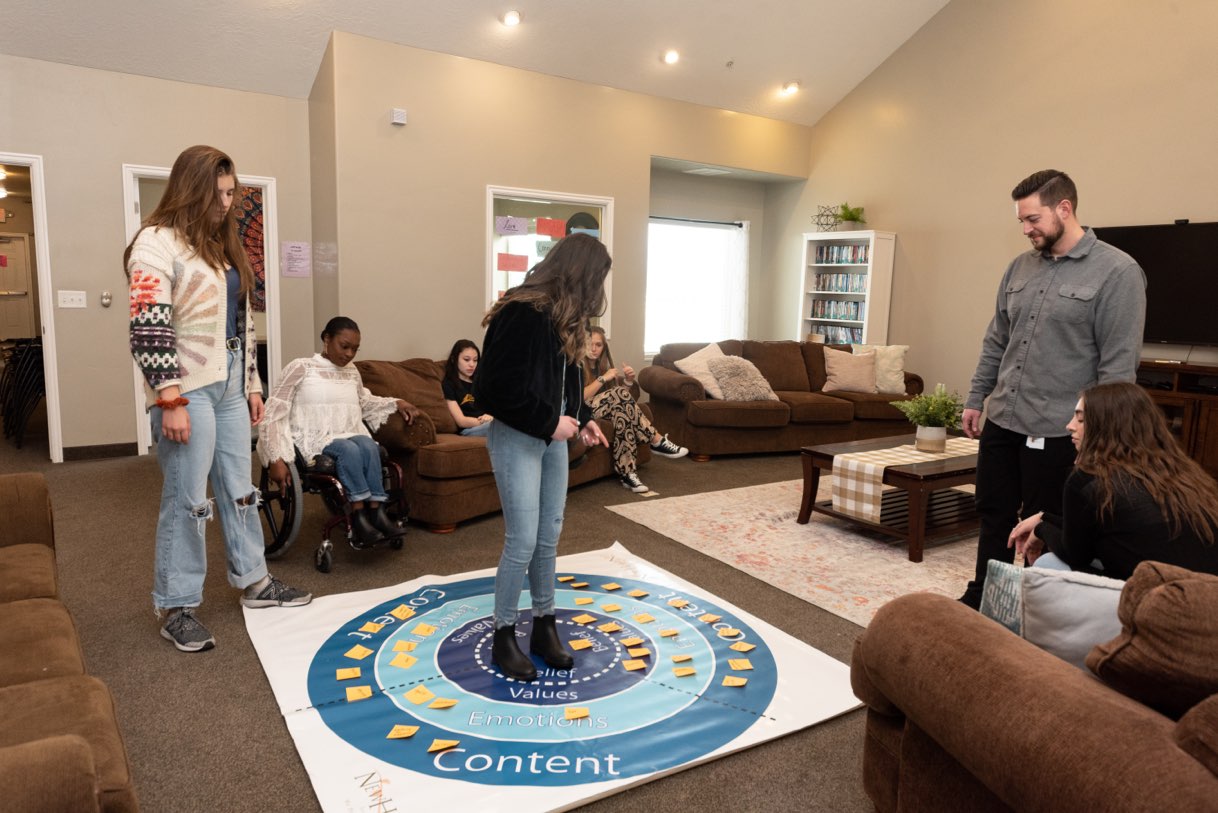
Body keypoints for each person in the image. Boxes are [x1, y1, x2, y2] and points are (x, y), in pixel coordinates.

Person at [125, 145, 311, 653]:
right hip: (186, 387)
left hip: (230, 383)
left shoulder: (223, 245)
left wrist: (252, 382)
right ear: (193, 188)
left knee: (240, 488)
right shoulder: (155, 243)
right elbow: (148, 325)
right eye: (219, 193)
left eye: (232, 193)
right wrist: (169, 398)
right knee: (188, 500)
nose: (227, 203)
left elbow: (242, 323)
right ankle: (177, 605)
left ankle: (255, 581)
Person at [959, 169, 1147, 609]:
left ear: (1065, 208)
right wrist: (976, 397)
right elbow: (997, 340)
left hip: (1061, 429)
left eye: (1033, 219)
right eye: (1021, 221)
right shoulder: (1019, 267)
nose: (1026, 229)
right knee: (993, 515)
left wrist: (1098, 437)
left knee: (1049, 529)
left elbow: (1118, 368)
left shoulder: (1118, 272)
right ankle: (986, 596)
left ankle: (1035, 607)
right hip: (1005, 416)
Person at [474, 232, 611, 682]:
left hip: (552, 439)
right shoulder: (522, 312)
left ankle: (544, 627)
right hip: (518, 437)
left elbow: (567, 382)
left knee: (549, 537)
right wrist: (550, 423)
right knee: (523, 541)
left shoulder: (563, 317)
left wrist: (581, 416)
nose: (600, 292)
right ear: (580, 274)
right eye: (598, 280)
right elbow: (492, 390)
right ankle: (504, 634)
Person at [1008, 382, 1218, 580]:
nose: (1069, 426)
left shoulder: (1089, 480)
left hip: (1159, 601)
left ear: (1106, 427)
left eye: (1080, 420)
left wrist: (1042, 529)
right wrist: (1046, 518)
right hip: (1205, 594)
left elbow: (1075, 554)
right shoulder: (1178, 471)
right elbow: (1093, 532)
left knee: (1049, 564)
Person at [258, 316, 421, 547]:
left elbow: (364, 401)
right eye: (344, 346)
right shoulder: (301, 367)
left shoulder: (351, 371)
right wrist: (276, 457)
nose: (349, 354)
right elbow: (273, 412)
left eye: (355, 349)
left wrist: (397, 402)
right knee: (348, 449)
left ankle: (376, 512)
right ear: (326, 339)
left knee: (368, 445)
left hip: (349, 434)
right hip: (315, 441)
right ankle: (358, 515)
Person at [582, 325, 687, 492]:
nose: (593, 349)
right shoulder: (576, 365)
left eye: (598, 345)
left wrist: (628, 381)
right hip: (581, 411)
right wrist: (602, 379)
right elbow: (581, 397)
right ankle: (656, 440)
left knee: (621, 414)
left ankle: (628, 473)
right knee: (618, 398)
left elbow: (619, 400)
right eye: (589, 343)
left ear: (604, 348)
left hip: (601, 410)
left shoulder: (603, 367)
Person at [442, 339, 494, 437]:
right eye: (466, 359)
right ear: (454, 359)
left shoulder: (480, 382)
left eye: (475, 360)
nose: (472, 365)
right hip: (469, 429)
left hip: (490, 424)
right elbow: (461, 421)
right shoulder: (448, 385)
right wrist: (487, 422)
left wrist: (491, 416)